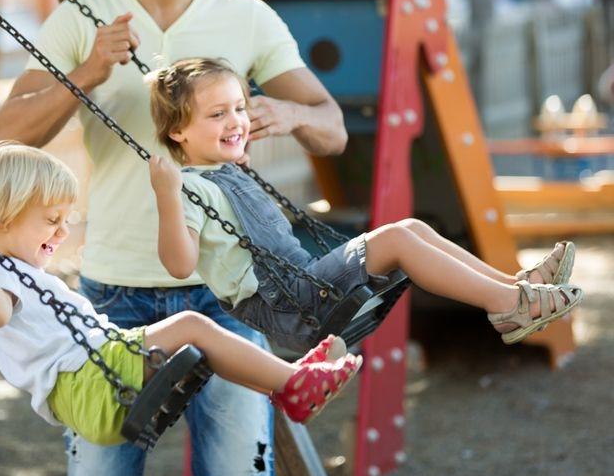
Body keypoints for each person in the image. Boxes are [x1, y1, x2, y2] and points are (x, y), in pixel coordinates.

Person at [0, 0, 346, 476]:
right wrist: (91, 68)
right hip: (111, 297)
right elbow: (11, 133)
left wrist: (295, 116)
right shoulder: (84, 16)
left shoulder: (245, 17)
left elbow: (331, 126)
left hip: (226, 291)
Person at [147, 58, 584, 351]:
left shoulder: (220, 173)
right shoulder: (187, 189)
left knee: (410, 227)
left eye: (239, 108)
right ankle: (507, 306)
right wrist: (167, 196)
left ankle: (513, 287)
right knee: (396, 237)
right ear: (178, 133)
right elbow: (179, 265)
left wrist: (231, 159)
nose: (236, 121)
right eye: (217, 114)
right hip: (288, 305)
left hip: (300, 287)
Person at [0, 145, 362, 442]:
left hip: (95, 372)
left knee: (201, 341)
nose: (63, 231)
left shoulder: (12, 269)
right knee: (193, 326)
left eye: (66, 219)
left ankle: (287, 387)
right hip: (88, 384)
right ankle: (291, 382)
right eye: (52, 219)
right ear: (3, 216)